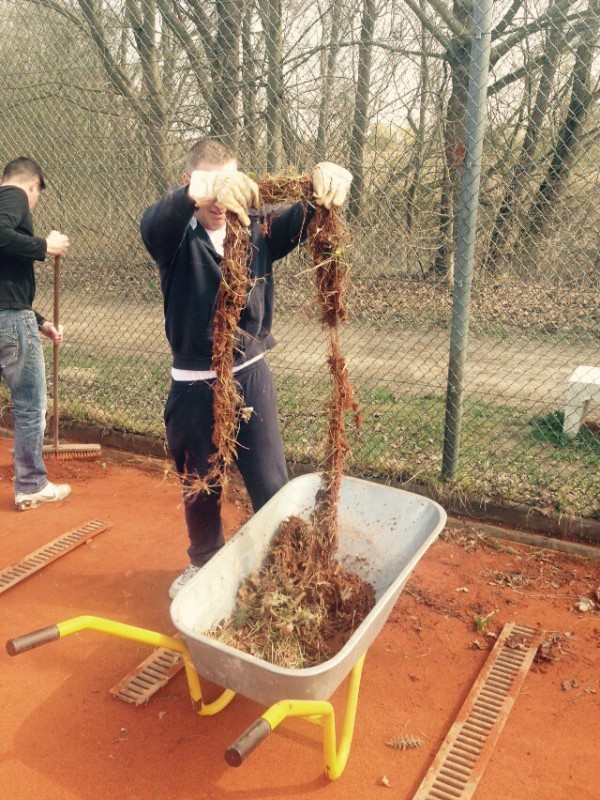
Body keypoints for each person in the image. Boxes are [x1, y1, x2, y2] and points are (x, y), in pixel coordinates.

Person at [140, 138, 352, 598]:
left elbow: (305, 214)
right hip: (194, 384)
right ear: (190, 183)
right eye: (212, 187)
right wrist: (198, 192)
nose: (223, 201)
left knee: (271, 481)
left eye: (232, 184)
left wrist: (325, 182)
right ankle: (204, 561)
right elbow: (156, 220)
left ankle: (280, 563)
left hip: (251, 375)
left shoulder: (256, 228)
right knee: (201, 484)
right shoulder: (174, 236)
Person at [0, 156, 71, 510]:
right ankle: (30, 485)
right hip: (10, 321)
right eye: (36, 196)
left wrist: (39, 321)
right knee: (30, 406)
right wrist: (45, 246)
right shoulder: (13, 195)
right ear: (33, 185)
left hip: (11, 314)